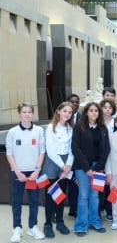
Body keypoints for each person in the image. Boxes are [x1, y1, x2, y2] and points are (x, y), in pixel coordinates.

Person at [6, 103, 46, 242]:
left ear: (32, 114)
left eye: (29, 112)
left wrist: (37, 170)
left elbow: (42, 151)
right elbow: (9, 154)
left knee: (34, 201)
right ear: (19, 114)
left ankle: (33, 227)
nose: (27, 114)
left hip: (34, 172)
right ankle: (16, 228)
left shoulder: (39, 131)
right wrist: (17, 172)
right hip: (18, 172)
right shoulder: (12, 132)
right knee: (16, 202)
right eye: (24, 112)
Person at [71, 102, 110, 237]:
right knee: (83, 196)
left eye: (96, 111)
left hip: (98, 167)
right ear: (86, 112)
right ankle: (81, 224)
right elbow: (75, 149)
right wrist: (87, 169)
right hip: (82, 167)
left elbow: (106, 149)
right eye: (91, 110)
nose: (94, 113)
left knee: (95, 196)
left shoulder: (103, 128)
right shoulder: (78, 127)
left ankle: (94, 221)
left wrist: (98, 167)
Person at [42, 102, 74, 238]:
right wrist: (62, 166)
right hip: (53, 162)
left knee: (61, 195)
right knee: (50, 195)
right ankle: (48, 224)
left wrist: (68, 166)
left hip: (67, 163)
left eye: (70, 112)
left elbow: (72, 149)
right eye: (65, 111)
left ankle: (60, 222)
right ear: (58, 111)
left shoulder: (71, 128)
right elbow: (50, 150)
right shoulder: (50, 128)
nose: (67, 114)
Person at [99, 99, 117, 222]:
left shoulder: (116, 122)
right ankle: (100, 208)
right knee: (100, 184)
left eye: (110, 108)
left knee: (112, 185)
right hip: (100, 157)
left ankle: (110, 209)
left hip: (114, 157)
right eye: (105, 107)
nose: (107, 110)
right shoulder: (98, 122)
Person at [66, 94, 81, 218]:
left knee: (74, 185)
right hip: (63, 159)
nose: (75, 104)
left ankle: (73, 209)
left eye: (77, 102)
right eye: (72, 102)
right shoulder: (62, 118)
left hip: (77, 159)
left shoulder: (83, 118)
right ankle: (56, 211)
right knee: (60, 185)